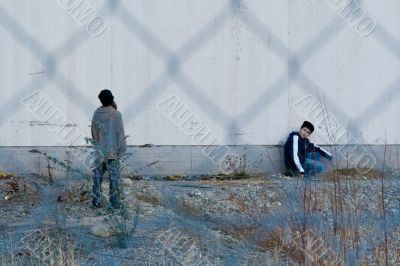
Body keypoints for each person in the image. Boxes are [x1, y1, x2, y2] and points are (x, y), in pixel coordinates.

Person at [91, 90, 126, 208]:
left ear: (100, 100)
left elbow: (93, 132)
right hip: (112, 152)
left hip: (99, 152)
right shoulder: (116, 114)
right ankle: (114, 204)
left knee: (97, 179)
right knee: (114, 180)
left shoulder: (96, 114)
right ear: (112, 98)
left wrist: (98, 146)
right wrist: (120, 151)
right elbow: (120, 134)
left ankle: (96, 202)